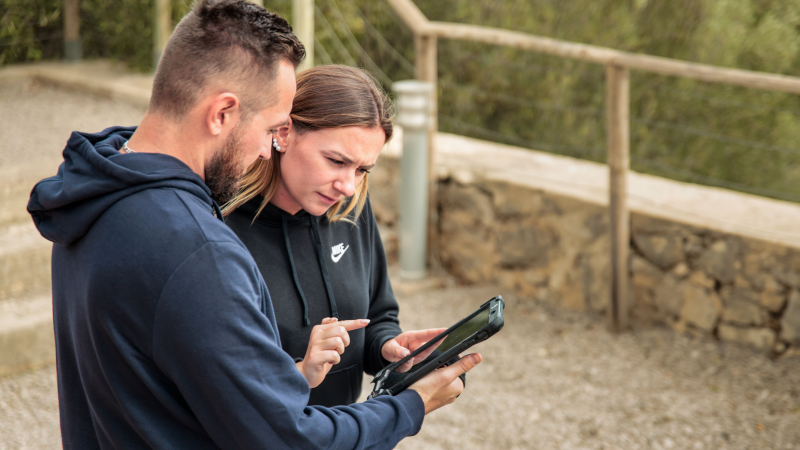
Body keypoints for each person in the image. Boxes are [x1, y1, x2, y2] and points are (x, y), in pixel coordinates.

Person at [26, 1, 480, 449]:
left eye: (363, 169)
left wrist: (382, 350)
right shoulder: (200, 251)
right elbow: (290, 440)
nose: (269, 151)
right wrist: (412, 405)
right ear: (222, 113)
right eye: (271, 129)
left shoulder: (98, 195)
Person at [223, 64, 454, 407]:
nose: (348, 186)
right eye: (335, 161)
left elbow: (377, 316)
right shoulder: (219, 226)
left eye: (362, 169)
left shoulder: (352, 209)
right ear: (284, 133)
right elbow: (218, 379)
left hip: (346, 433)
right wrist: (300, 370)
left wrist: (389, 348)